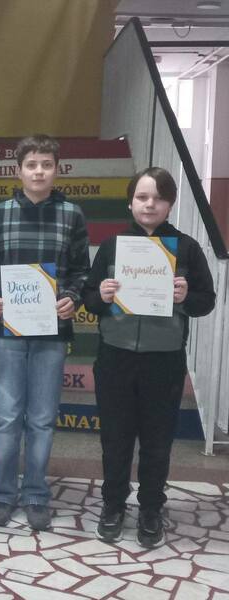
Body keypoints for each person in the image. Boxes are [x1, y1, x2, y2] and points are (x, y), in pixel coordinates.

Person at [83, 167, 215, 547]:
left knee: (157, 441)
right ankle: (113, 505)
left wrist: (185, 297)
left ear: (170, 203)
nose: (149, 204)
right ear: (130, 202)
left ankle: (151, 508)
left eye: (158, 198)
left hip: (164, 360)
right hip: (116, 357)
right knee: (115, 438)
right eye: (142, 197)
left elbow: (206, 301)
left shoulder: (186, 248)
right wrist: (101, 296)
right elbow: (89, 298)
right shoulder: (112, 246)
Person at [0, 134, 90, 531]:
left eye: (46, 164)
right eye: (31, 165)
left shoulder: (72, 215)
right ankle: (3, 493)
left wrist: (72, 297)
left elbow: (81, 270)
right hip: (6, 331)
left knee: (42, 417)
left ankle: (36, 493)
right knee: (6, 417)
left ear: (57, 170)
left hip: (51, 332)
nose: (39, 171)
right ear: (18, 170)